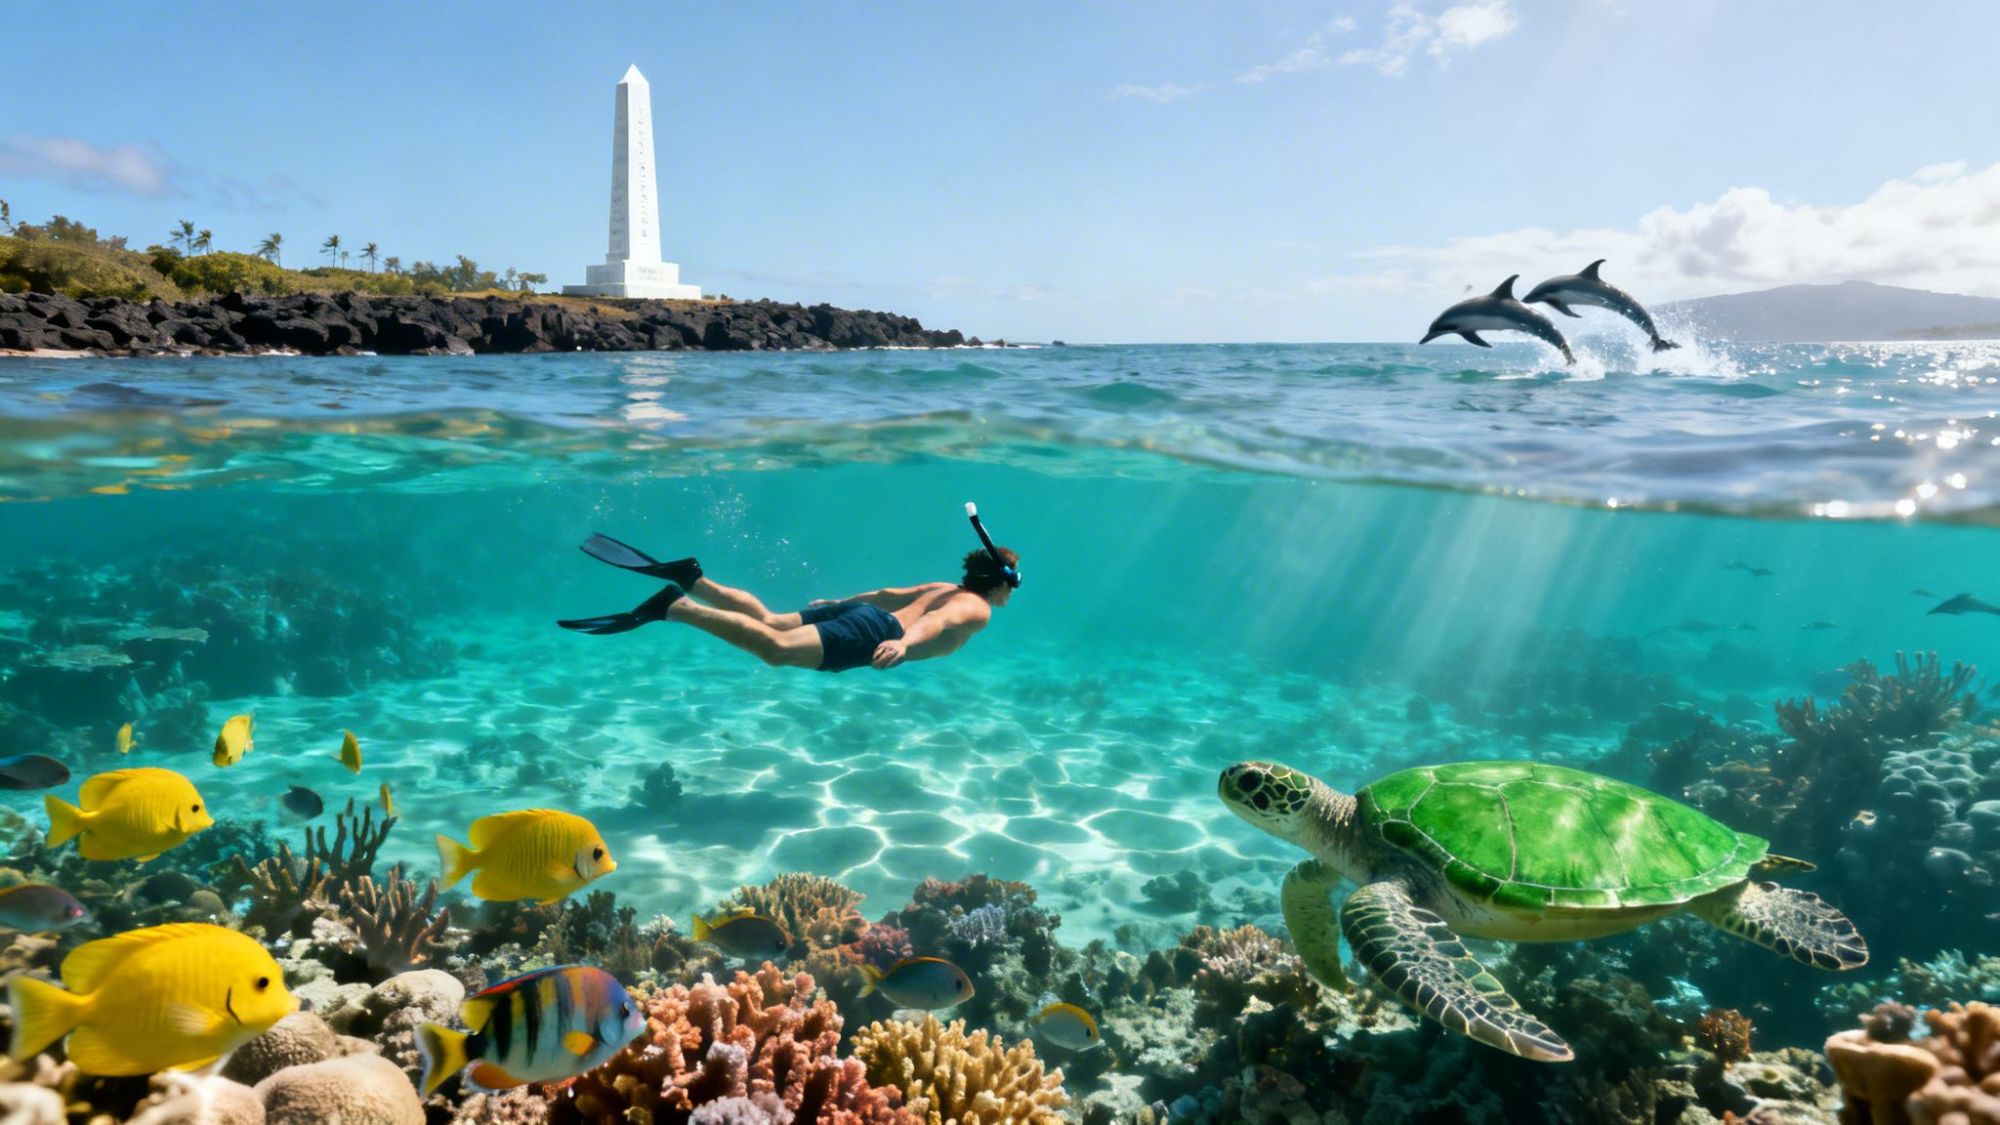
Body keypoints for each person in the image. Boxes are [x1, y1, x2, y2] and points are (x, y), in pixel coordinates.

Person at [557, 508, 1019, 673]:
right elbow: (937, 623)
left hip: (861, 616)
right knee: (776, 649)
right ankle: (678, 608)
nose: (1012, 594)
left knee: (773, 621)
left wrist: (839, 604)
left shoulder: (943, 586)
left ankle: (694, 579)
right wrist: (901, 643)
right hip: (874, 634)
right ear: (999, 583)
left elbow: (885, 592)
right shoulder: (977, 609)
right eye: (1012, 585)